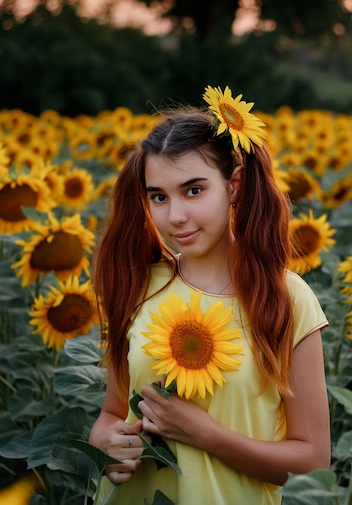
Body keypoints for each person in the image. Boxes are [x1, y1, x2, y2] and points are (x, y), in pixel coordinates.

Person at [89, 86, 330, 505]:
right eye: (158, 197)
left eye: (194, 190)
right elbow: (111, 413)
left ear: (234, 186)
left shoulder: (286, 297)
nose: (175, 216)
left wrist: (205, 435)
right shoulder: (139, 286)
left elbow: (313, 461)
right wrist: (108, 446)